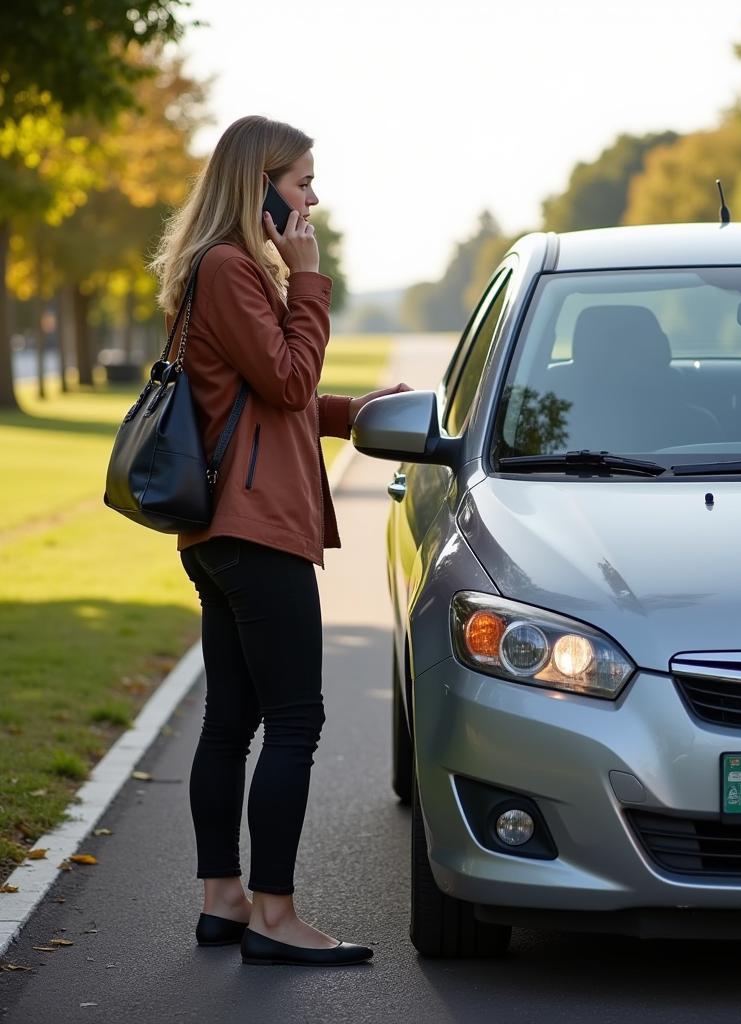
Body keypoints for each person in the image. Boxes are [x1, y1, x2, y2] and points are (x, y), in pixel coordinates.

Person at [149, 114, 410, 967]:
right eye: (301, 181)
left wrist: (354, 414)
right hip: (256, 530)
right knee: (295, 720)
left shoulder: (218, 269)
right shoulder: (232, 269)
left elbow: (269, 398)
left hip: (225, 529)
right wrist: (311, 279)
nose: (312, 197)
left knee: (231, 718)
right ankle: (275, 916)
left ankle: (223, 901)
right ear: (257, 185)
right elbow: (290, 374)